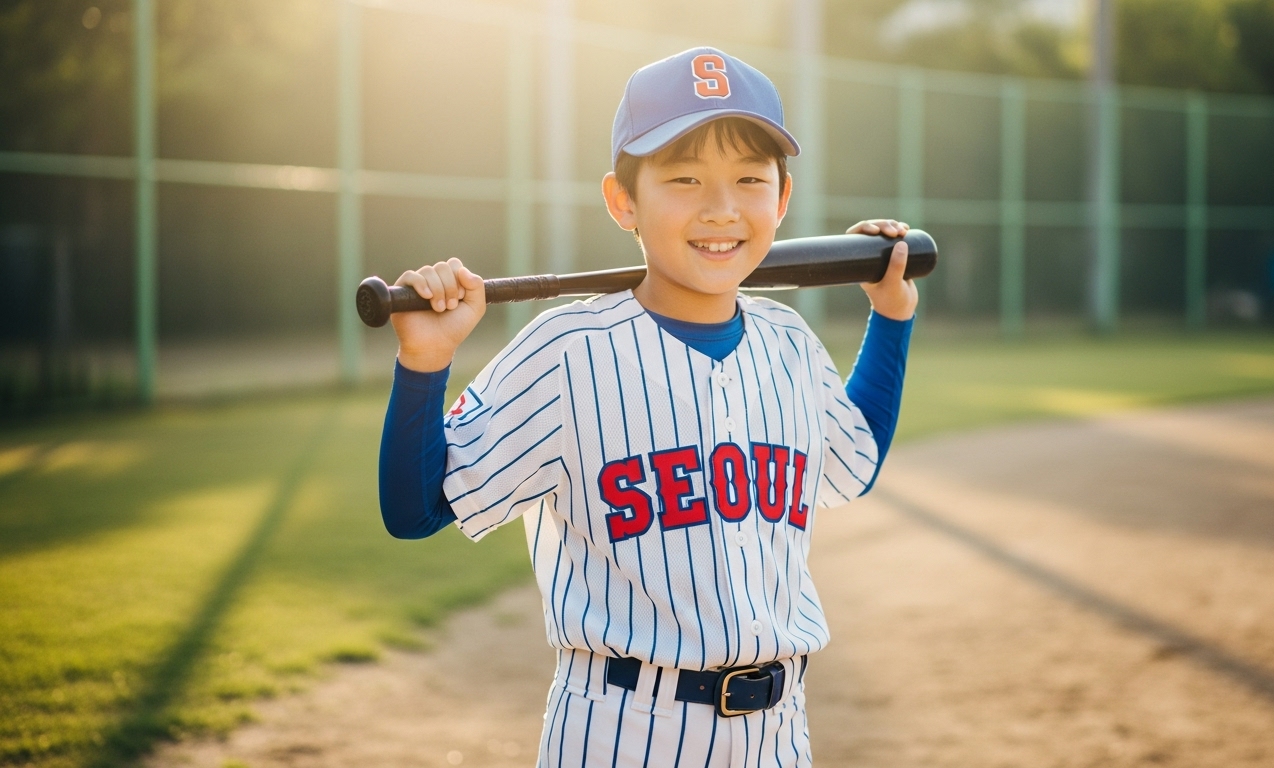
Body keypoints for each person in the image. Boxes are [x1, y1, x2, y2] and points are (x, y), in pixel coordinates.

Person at [378, 47, 916, 767]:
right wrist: (425, 364)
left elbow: (854, 461)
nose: (721, 208)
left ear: (782, 199)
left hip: (780, 734)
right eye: (685, 178)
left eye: (750, 179)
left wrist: (892, 315)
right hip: (624, 729)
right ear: (622, 200)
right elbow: (415, 510)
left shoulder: (790, 342)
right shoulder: (565, 352)